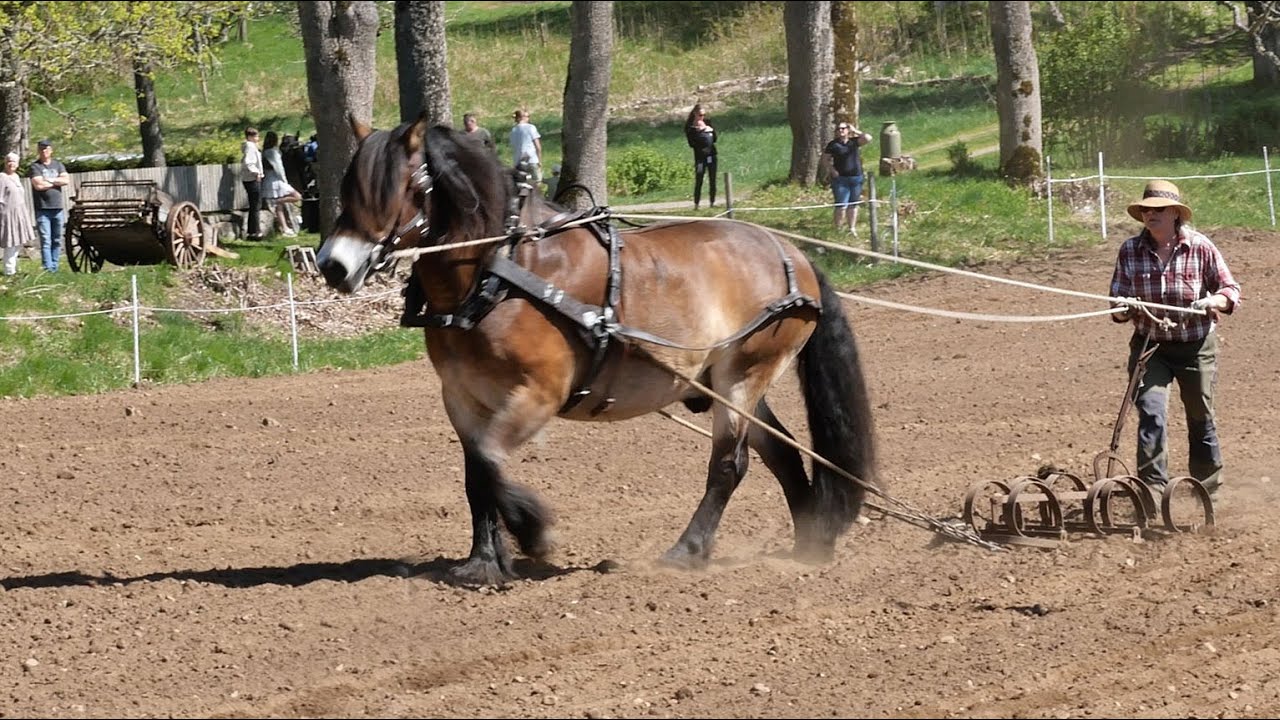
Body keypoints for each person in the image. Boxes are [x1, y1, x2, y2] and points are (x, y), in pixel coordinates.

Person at [1109, 179, 1241, 498]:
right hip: (1151, 347)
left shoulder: (1200, 246)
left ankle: (1209, 491)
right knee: (1152, 413)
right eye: (1146, 210)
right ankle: (1153, 491)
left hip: (1196, 347)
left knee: (1200, 415)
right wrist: (1126, 306)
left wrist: (1214, 301)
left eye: (1158, 210)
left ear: (1175, 214)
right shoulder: (1129, 250)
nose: (1150, 215)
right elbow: (1115, 307)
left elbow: (1230, 290)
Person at [27, 139, 70, 272]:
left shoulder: (58, 165)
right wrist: (56, 182)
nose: (44, 151)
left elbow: (66, 180)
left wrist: (49, 180)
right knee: (46, 240)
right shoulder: (35, 167)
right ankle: (48, 268)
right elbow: (38, 185)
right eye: (41, 149)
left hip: (58, 208)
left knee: (57, 239)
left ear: (51, 150)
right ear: (38, 151)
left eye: (46, 149)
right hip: (42, 209)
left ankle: (55, 267)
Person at [822, 121, 873, 234]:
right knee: (841, 205)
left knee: (853, 204)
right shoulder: (833, 144)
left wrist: (855, 131)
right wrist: (832, 170)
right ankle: (838, 229)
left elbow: (868, 138)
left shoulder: (854, 142)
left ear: (847, 130)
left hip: (856, 178)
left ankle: (851, 228)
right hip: (841, 180)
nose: (841, 130)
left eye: (843, 128)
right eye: (838, 129)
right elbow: (825, 159)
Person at [0, 152, 35, 276]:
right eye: (9, 161)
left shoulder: (16, 177)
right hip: (7, 215)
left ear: (17, 164)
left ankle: (13, 268)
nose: (11, 164)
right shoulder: (2, 177)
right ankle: (9, 271)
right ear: (5, 163)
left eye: (14, 161)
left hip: (19, 213)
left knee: (18, 242)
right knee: (11, 242)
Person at [262, 131, 301, 237]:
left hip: (270, 178)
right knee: (297, 196)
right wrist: (285, 180)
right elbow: (279, 168)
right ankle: (278, 202)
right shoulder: (272, 152)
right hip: (276, 179)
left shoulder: (265, 151)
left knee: (279, 208)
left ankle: (285, 228)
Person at [684, 104, 718, 210]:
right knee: (699, 179)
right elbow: (692, 144)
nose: (702, 117)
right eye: (700, 115)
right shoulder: (690, 128)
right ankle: (696, 203)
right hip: (700, 158)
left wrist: (710, 130)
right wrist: (700, 132)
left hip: (711, 155)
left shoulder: (707, 123)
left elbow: (715, 139)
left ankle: (712, 202)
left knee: (713, 179)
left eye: (704, 115)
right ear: (695, 114)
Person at [241, 127, 265, 240]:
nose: (257, 138)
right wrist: (256, 173)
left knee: (254, 205)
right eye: (256, 136)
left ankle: (252, 231)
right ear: (250, 136)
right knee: (256, 205)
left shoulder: (250, 146)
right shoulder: (250, 146)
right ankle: (256, 231)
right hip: (252, 179)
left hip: (249, 178)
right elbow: (249, 162)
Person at [509, 108, 542, 185]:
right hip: (531, 160)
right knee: (536, 182)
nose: (528, 118)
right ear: (523, 117)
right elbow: (538, 146)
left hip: (518, 161)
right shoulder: (531, 127)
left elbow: (514, 146)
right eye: (528, 116)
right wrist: (539, 160)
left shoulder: (513, 130)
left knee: (523, 184)